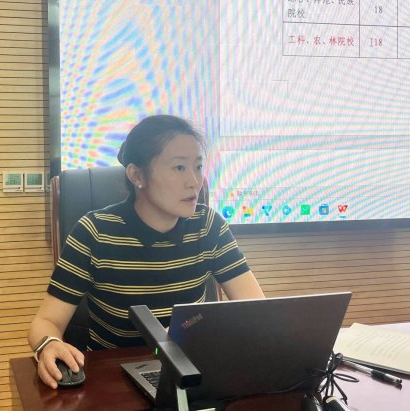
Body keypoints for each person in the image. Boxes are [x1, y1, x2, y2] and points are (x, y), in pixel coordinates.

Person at [28, 115, 265, 388]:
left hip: (189, 374)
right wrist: (48, 345)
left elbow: (256, 310)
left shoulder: (209, 226)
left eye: (198, 167)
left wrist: (205, 332)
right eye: (179, 167)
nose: (194, 181)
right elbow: (45, 321)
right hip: (111, 381)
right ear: (137, 175)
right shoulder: (94, 232)